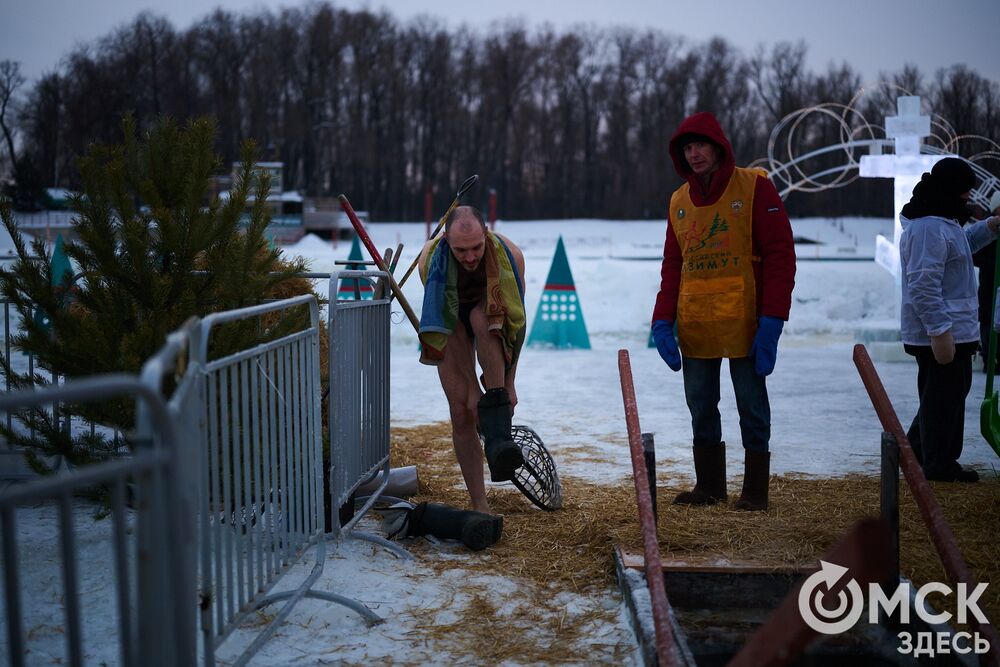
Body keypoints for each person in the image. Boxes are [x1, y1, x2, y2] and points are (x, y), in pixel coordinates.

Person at [650, 111, 796, 511]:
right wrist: (662, 320)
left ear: (718, 146)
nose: (694, 154)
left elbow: (781, 255)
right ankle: (710, 485)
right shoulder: (679, 201)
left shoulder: (754, 188)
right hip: (697, 321)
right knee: (700, 402)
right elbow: (673, 266)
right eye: (687, 148)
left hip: (745, 321)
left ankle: (755, 491)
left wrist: (773, 319)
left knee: (751, 402)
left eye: (700, 145)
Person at [418, 206, 527, 514]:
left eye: (476, 248)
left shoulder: (512, 257)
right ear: (446, 241)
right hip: (448, 318)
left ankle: (498, 441)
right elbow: (447, 326)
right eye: (460, 250)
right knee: (462, 409)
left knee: (483, 319)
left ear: (486, 234)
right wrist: (472, 393)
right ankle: (479, 504)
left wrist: (509, 385)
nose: (469, 257)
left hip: (490, 317)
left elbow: (516, 326)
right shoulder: (431, 262)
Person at [899, 158, 1000, 483]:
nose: (968, 200)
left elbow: (962, 248)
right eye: (964, 193)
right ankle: (938, 466)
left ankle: (914, 453)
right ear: (949, 190)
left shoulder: (944, 221)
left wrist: (989, 228)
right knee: (943, 399)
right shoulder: (929, 226)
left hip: (954, 329)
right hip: (942, 332)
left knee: (944, 395)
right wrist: (940, 331)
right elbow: (923, 283)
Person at [971, 190, 1000, 372]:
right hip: (990, 284)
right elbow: (974, 254)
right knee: (989, 319)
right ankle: (989, 358)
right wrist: (992, 264)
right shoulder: (986, 228)